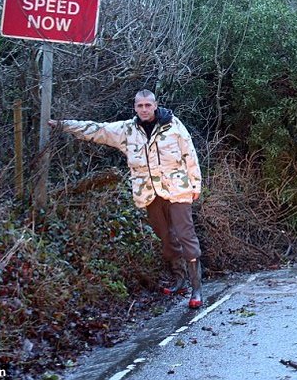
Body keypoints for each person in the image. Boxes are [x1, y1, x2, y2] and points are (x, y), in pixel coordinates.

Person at [50, 89, 205, 308]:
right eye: (140, 105)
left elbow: (190, 154)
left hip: (177, 189)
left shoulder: (173, 125)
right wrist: (62, 125)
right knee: (166, 237)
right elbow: (97, 130)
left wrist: (196, 184)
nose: (144, 109)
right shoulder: (127, 130)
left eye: (148, 105)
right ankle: (179, 279)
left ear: (155, 105)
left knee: (185, 235)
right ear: (135, 107)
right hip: (149, 193)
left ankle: (196, 288)